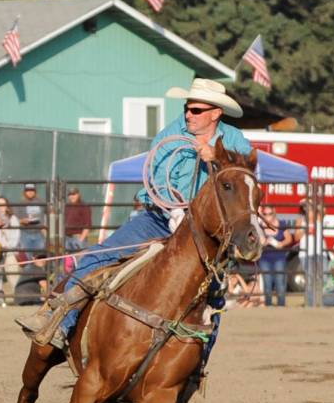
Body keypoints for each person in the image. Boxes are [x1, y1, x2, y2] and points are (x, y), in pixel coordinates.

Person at [17, 78, 252, 353]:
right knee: (99, 255)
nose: (189, 114)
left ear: (216, 113)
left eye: (196, 110)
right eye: (188, 108)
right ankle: (59, 322)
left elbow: (244, 172)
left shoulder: (234, 139)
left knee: (214, 298)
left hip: (204, 230)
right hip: (159, 218)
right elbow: (157, 177)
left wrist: (216, 156)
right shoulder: (170, 136)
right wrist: (175, 209)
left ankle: (197, 372)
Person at [258, 204, 293, 307]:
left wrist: (280, 244)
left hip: (279, 258)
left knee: (280, 283)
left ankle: (281, 305)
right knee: (267, 283)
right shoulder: (261, 226)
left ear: (274, 213)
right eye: (265, 214)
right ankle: (268, 305)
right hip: (265, 258)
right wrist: (263, 242)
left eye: (270, 213)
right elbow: (255, 241)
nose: (268, 216)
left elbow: (289, 238)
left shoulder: (281, 224)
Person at [295, 199, 325, 307]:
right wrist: (304, 229)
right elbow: (296, 237)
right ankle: (310, 303)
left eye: (309, 205)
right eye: (304, 206)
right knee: (309, 279)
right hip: (306, 253)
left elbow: (323, 208)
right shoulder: (300, 220)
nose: (306, 207)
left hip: (320, 252)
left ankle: (322, 302)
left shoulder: (319, 217)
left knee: (323, 278)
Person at [0, 197, 21, 301]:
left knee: (12, 271)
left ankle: (17, 295)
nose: (0, 208)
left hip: (10, 251)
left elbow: (15, 239)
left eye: (2, 205)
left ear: (7, 207)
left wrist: (6, 246)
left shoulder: (13, 219)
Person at [17, 183, 46, 261]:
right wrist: (22, 221)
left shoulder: (41, 202)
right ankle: (29, 272)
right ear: (25, 192)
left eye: (32, 190)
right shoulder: (20, 203)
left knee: (39, 258)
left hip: (39, 234)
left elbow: (49, 214)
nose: (30, 192)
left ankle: (39, 272)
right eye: (28, 190)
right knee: (28, 258)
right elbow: (15, 219)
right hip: (25, 234)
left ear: (35, 191)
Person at [64, 188, 91, 253]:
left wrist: (81, 239)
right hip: (67, 238)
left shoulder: (84, 206)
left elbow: (88, 224)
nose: (72, 196)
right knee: (69, 261)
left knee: (81, 260)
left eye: (74, 194)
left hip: (78, 237)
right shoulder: (67, 206)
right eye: (70, 195)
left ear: (78, 195)